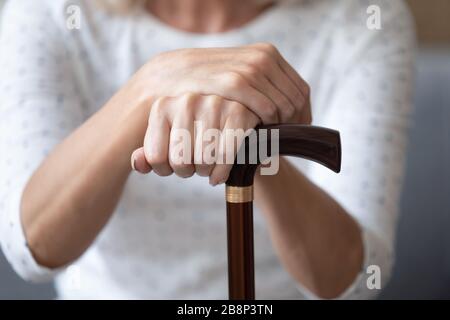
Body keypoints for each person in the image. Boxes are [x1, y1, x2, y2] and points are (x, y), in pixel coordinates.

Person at [0, 0, 416, 299]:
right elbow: (32, 246)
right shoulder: (49, 12)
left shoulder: (364, 19)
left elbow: (357, 281)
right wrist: (150, 89)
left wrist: (254, 144)